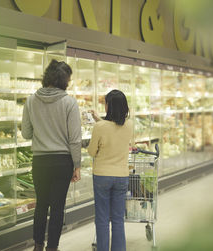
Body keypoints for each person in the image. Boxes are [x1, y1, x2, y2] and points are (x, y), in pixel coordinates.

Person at [21, 59, 82, 251]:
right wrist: (77, 164)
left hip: (40, 161)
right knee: (57, 208)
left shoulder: (31, 101)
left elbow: (26, 134)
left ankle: (38, 246)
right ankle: (52, 248)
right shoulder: (69, 102)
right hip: (62, 162)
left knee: (41, 206)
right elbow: (74, 139)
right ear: (64, 80)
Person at [87, 90, 133, 251]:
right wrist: (99, 119)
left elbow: (92, 151)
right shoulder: (130, 125)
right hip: (121, 176)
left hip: (102, 176)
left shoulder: (99, 127)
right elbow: (115, 128)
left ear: (108, 106)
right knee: (118, 219)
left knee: (102, 219)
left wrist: (98, 122)